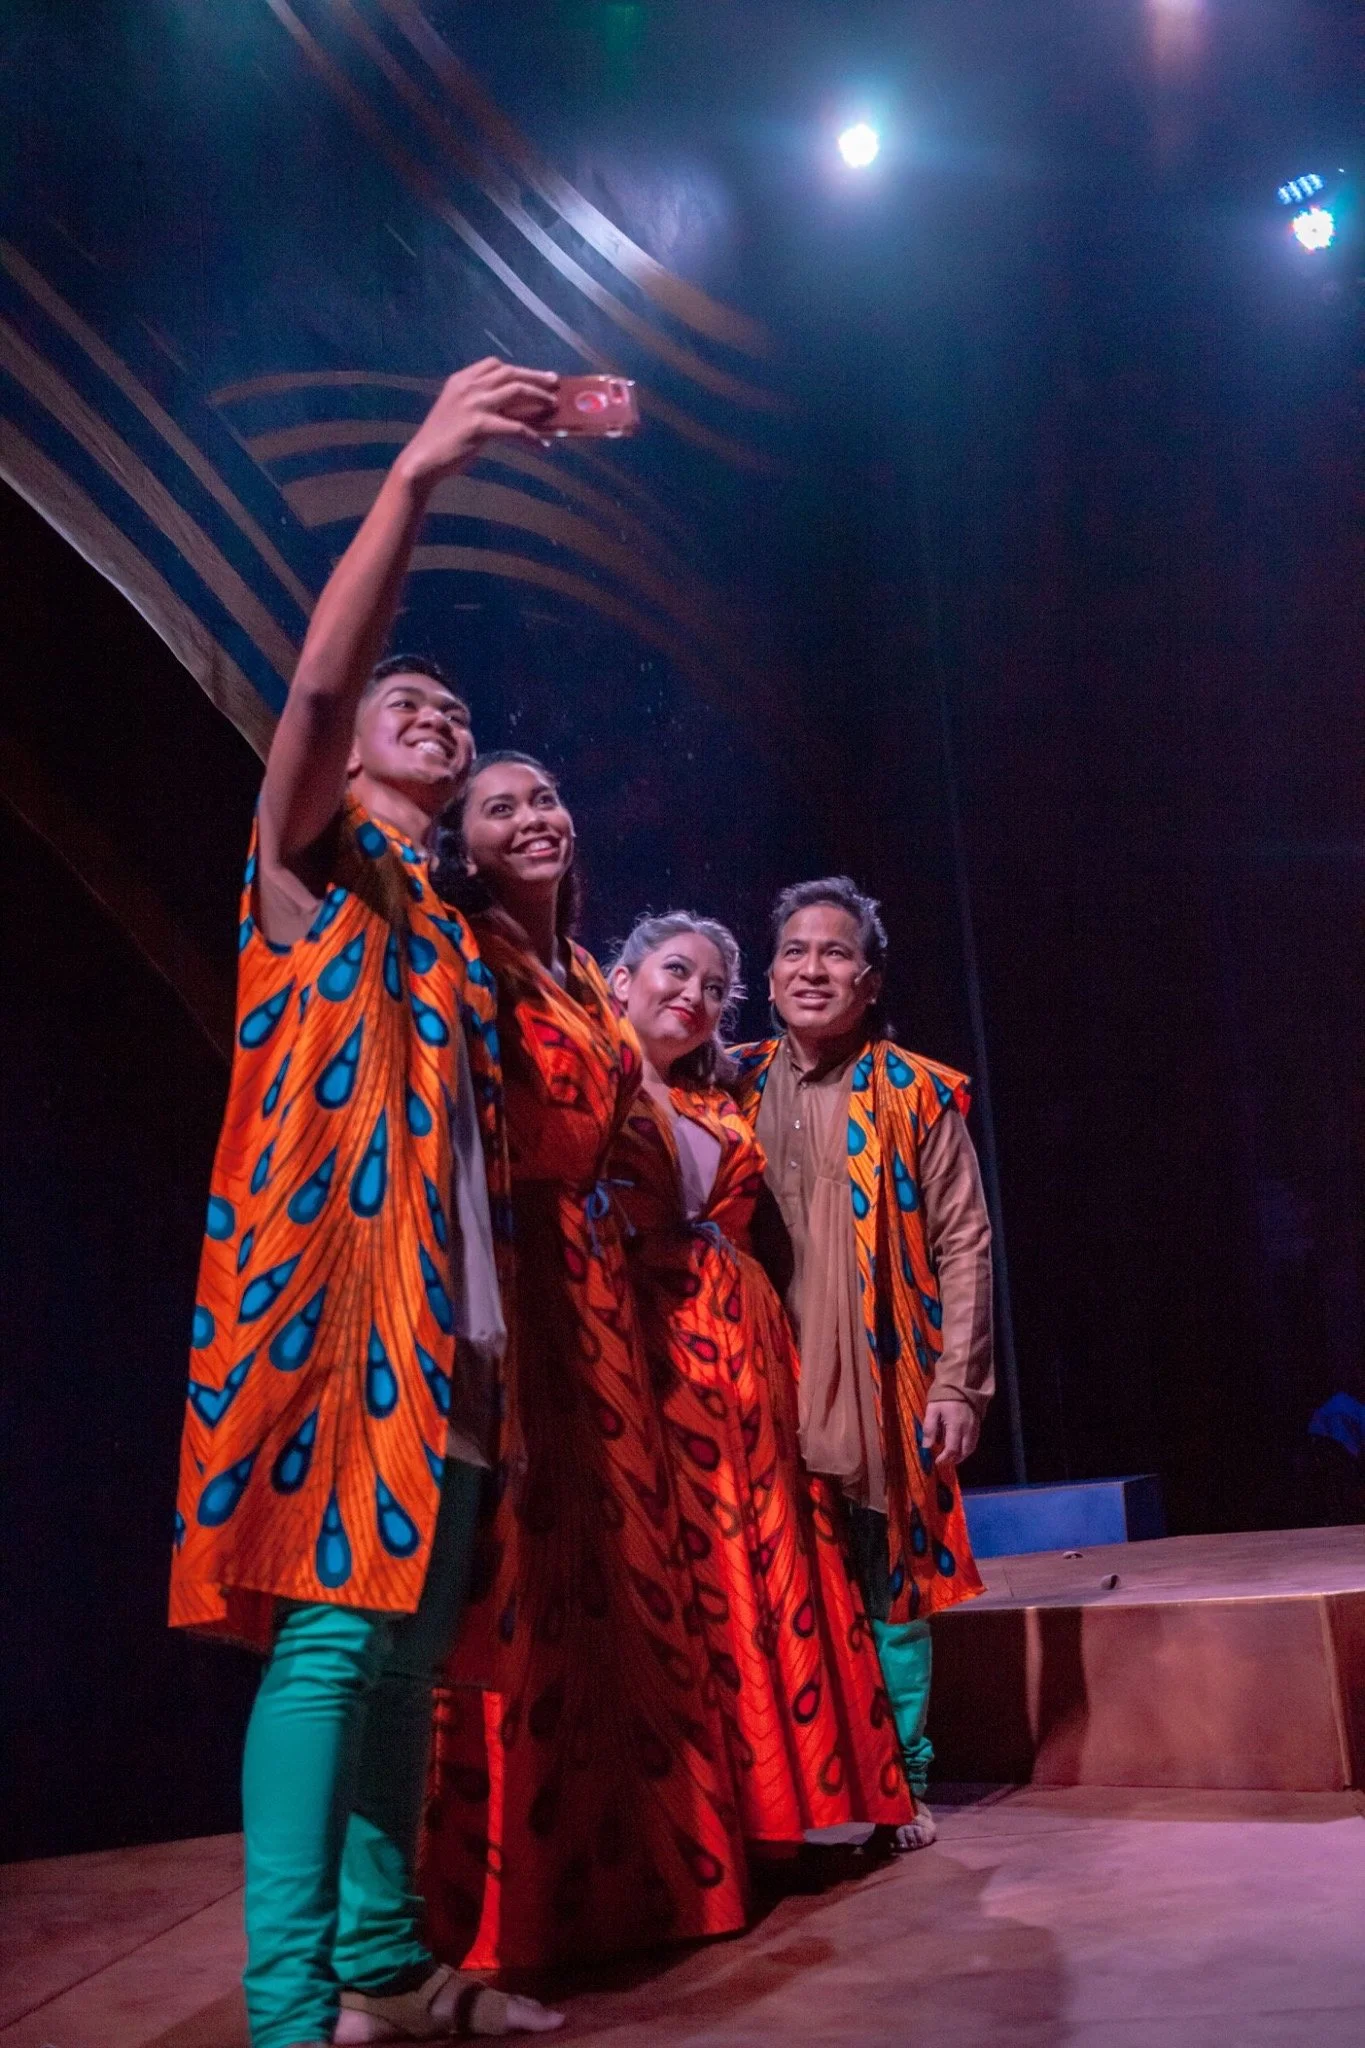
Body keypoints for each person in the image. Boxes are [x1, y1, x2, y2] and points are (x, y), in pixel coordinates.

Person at [169, 360, 567, 2048]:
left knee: (410, 1660)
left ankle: (382, 1971)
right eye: (407, 707)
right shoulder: (306, 857)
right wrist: (414, 475)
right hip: (335, 1318)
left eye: (452, 715)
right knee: (335, 1650)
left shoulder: (462, 942)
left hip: (453, 1334)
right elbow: (327, 679)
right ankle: (284, 2009)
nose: (433, 713)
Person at [422, 762, 750, 1971]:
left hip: (599, 1289)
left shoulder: (580, 982)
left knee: (623, 1572)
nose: (534, 816)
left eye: (548, 796)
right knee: (524, 1575)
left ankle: (643, 1878)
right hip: (516, 1271)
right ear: (464, 844)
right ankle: (503, 1916)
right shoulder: (464, 954)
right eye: (499, 806)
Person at [604, 912, 912, 1847]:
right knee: (677, 1578)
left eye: (709, 988)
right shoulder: (585, 1085)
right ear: (618, 980)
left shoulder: (721, 1095)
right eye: (673, 973)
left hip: (743, 1355)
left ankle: (783, 1805)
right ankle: (688, 1824)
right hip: (640, 1349)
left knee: (767, 1570)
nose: (691, 997)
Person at [731, 876, 995, 1850]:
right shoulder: (726, 1082)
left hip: (884, 1384)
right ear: (767, 973)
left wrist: (960, 1381)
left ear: (870, 979)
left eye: (836, 952)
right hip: (757, 1384)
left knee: (890, 1586)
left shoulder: (917, 1090)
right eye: (795, 949)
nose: (813, 967)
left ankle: (904, 1781)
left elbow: (966, 1240)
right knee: (776, 1585)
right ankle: (787, 1790)